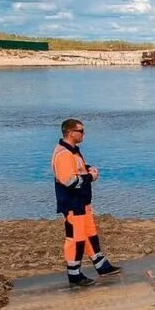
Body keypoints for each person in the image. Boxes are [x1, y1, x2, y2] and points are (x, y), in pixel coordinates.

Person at [52, 119, 120, 287]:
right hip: (72, 205)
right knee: (75, 239)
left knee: (90, 235)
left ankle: (101, 265)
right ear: (70, 133)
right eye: (81, 131)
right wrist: (91, 177)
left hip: (82, 203)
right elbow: (69, 180)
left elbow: (78, 169)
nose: (84, 134)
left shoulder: (73, 152)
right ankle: (74, 275)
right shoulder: (64, 154)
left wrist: (88, 169)